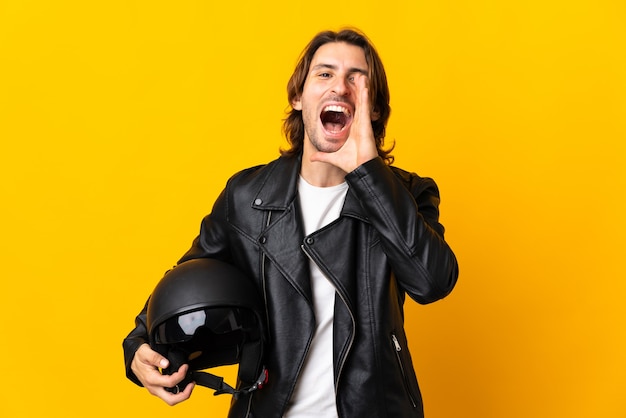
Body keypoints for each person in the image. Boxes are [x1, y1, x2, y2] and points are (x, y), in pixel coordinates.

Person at [123, 28, 459, 418]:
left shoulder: (408, 194)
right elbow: (188, 279)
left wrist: (369, 174)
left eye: (356, 77)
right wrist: (138, 346)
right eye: (325, 73)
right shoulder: (246, 196)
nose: (340, 86)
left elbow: (432, 282)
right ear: (299, 98)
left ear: (375, 108)